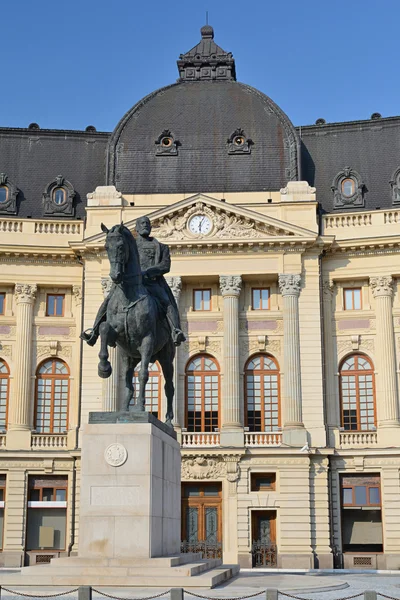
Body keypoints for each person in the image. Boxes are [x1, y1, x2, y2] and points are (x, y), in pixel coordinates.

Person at [81, 216, 186, 347]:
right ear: (135, 228)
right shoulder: (128, 245)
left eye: (147, 223)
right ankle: (94, 332)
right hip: (129, 283)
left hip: (151, 283)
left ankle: (175, 330)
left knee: (167, 302)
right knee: (108, 301)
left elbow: (165, 266)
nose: (145, 225)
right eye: (141, 223)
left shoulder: (161, 247)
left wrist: (148, 272)